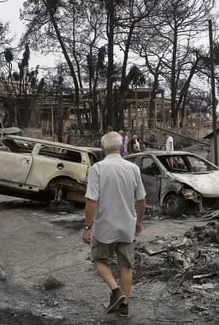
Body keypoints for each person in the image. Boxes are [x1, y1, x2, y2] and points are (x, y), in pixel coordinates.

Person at [82, 131, 146, 317]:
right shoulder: (133, 168)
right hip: (127, 225)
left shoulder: (97, 168)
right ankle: (124, 306)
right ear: (122, 147)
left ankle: (115, 290)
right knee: (126, 266)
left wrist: (87, 227)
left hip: (105, 227)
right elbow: (141, 201)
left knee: (99, 260)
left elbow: (91, 201)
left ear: (102, 148)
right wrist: (139, 222)